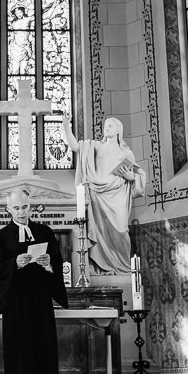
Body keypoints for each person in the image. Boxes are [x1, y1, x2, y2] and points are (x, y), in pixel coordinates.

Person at [0, 187, 75, 374]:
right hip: (16, 304)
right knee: (19, 353)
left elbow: (58, 262)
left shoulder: (44, 232)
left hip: (40, 301)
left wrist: (48, 264)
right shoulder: (1, 237)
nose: (21, 212)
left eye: (25, 206)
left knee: (46, 351)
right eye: (16, 208)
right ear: (8, 209)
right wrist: (14, 263)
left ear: (31, 206)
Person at [62, 113, 144, 274]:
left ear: (118, 130)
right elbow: (75, 147)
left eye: (110, 126)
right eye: (105, 126)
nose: (106, 128)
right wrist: (66, 125)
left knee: (121, 230)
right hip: (97, 194)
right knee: (99, 233)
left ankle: (123, 267)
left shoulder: (126, 153)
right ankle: (103, 267)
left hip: (118, 195)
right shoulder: (96, 146)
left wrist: (131, 177)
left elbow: (139, 174)